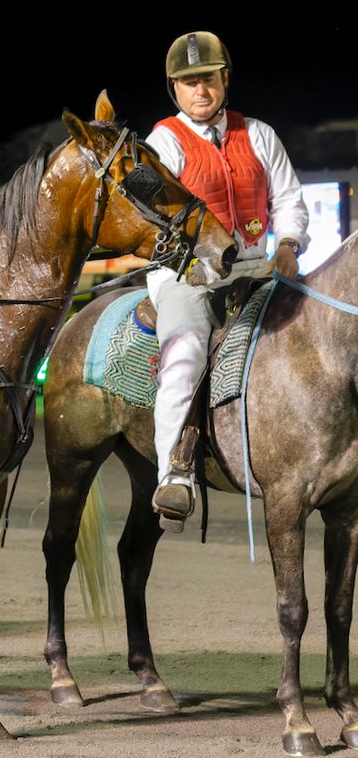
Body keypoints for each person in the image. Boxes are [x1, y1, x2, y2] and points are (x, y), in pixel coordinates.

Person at [146, 31, 309, 524]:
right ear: (174, 89)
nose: (200, 91)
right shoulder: (162, 143)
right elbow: (154, 221)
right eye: (189, 82)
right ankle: (173, 471)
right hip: (186, 274)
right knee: (188, 350)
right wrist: (190, 262)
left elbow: (289, 199)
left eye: (208, 80)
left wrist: (288, 245)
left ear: (225, 80)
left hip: (258, 266)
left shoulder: (258, 134)